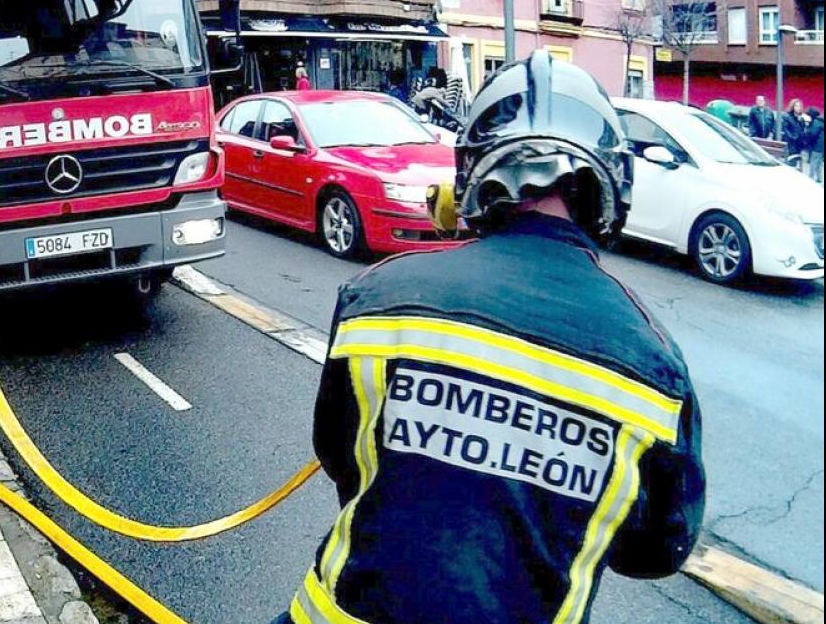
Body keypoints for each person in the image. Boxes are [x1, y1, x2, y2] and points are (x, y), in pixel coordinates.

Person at [273, 50, 705, 624]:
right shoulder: (654, 364)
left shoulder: (378, 298)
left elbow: (341, 455)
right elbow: (655, 550)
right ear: (610, 183)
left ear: (471, 178)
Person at [805, 107, 824, 183]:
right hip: (821, 146)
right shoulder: (820, 121)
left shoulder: (815, 122)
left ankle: (810, 178)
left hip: (817, 146)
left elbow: (812, 134)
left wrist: (807, 129)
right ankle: (819, 178)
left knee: (813, 162)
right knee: (818, 163)